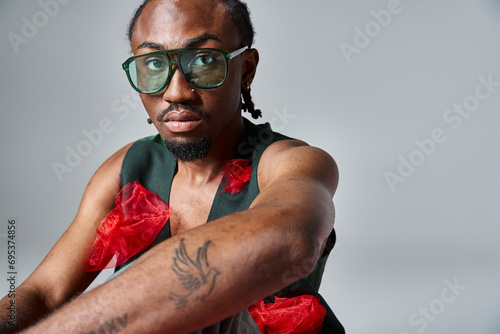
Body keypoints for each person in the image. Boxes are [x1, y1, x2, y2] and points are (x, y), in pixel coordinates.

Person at [0, 0, 343, 333]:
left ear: (246, 70)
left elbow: (290, 236)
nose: (176, 92)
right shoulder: (128, 169)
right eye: (153, 64)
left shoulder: (291, 163)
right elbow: (44, 293)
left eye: (204, 59)